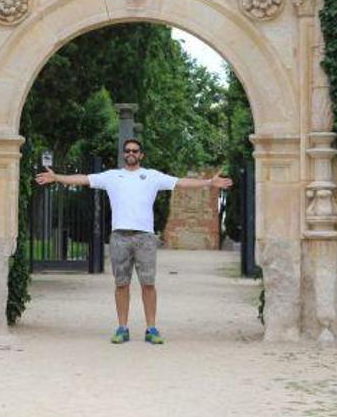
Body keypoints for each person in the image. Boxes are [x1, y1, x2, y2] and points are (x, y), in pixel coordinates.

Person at [35, 138, 232, 345]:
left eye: (135, 150)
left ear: (141, 155)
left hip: (144, 237)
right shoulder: (112, 176)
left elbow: (181, 182)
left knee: (148, 283)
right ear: (124, 154)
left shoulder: (152, 176)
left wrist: (209, 183)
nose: (131, 153)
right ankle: (122, 328)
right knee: (121, 284)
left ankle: (151, 328)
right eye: (127, 150)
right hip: (119, 236)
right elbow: (83, 178)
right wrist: (56, 177)